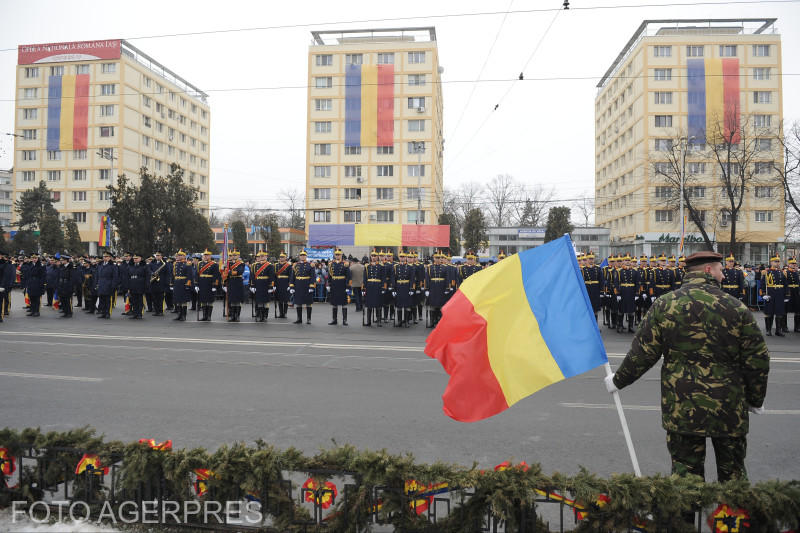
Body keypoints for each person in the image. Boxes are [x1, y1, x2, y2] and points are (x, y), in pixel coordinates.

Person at [605, 251, 769, 483]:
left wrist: (617, 380)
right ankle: (731, 519)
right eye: (721, 270)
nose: (724, 276)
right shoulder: (735, 308)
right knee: (733, 480)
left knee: (685, 483)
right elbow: (757, 359)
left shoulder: (665, 305)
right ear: (708, 270)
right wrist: (755, 399)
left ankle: (684, 519)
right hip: (729, 408)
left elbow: (642, 354)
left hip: (683, 409)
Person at [760, 254, 788, 336]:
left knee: (779, 313)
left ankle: (778, 330)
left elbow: (785, 284)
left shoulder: (782, 272)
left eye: (778, 261)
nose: (777, 263)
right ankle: (768, 330)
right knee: (769, 312)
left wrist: (786, 295)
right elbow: (762, 285)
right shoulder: (766, 272)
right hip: (770, 293)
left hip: (779, 294)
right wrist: (763, 294)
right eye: (775, 261)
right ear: (771, 262)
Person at [194, 249, 221, 322]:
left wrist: (214, 286)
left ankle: (209, 316)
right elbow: (197, 274)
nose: (205, 256)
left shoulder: (214, 264)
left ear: (210, 256)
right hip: (202, 283)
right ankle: (204, 316)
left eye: (207, 255)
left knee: (209, 300)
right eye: (204, 255)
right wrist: (196, 284)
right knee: (203, 300)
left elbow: (216, 276)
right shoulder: (199, 264)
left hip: (210, 284)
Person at [290, 250, 315, 324]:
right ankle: (299, 319)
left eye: (304, 255)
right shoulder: (295, 265)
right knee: (298, 302)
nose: (302, 256)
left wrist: (311, 286)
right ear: (299, 256)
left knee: (308, 302)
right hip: (298, 285)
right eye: (301, 255)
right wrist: (291, 286)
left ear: (306, 256)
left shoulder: (310, 265)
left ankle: (308, 319)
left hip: (306, 285)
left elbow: (313, 277)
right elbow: (292, 277)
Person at [326, 249, 351, 326]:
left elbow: (348, 276)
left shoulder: (345, 264)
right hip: (334, 284)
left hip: (342, 284)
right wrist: (329, 284)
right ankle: (334, 319)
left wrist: (347, 286)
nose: (337, 256)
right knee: (334, 302)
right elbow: (330, 275)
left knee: (344, 302)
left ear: (341, 255)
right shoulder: (331, 264)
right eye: (336, 254)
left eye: (339, 254)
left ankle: (345, 320)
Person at [250, 250, 276, 322]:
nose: (261, 257)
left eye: (263, 256)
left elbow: (271, 277)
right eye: (260, 256)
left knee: (265, 301)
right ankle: (260, 316)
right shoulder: (254, 265)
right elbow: (252, 276)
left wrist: (271, 286)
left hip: (266, 284)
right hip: (258, 284)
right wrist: (252, 286)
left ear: (266, 256)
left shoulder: (269, 265)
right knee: (259, 301)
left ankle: (265, 316)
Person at [363, 251, 385, 327]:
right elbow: (364, 278)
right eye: (372, 256)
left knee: (378, 304)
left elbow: (383, 278)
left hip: (377, 286)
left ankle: (378, 321)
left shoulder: (381, 266)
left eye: (375, 256)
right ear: (370, 257)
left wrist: (383, 287)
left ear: (377, 257)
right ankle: (368, 321)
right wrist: (363, 288)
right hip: (369, 287)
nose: (373, 257)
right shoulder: (367, 266)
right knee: (369, 304)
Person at [223, 250, 246, 322]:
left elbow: (240, 271)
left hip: (238, 282)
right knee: (232, 300)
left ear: (238, 256)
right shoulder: (228, 263)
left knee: (238, 300)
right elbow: (225, 274)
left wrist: (229, 272)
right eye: (233, 255)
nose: (234, 256)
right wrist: (224, 282)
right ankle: (232, 316)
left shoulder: (241, 264)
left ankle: (237, 316)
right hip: (231, 282)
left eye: (235, 255)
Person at [171, 250, 194, 321]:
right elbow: (173, 275)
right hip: (177, 283)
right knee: (178, 300)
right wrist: (172, 284)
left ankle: (184, 316)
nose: (178, 256)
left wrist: (188, 285)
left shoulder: (187, 264)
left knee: (183, 301)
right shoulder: (176, 264)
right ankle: (179, 315)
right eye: (178, 255)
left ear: (184, 256)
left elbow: (189, 276)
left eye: (180, 255)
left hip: (183, 283)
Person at [95, 251, 118, 319]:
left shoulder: (113, 266)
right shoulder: (100, 265)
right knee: (102, 300)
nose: (104, 258)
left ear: (110, 258)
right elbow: (97, 276)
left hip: (108, 284)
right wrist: (96, 284)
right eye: (104, 257)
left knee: (108, 300)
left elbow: (115, 277)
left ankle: (108, 313)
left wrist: (113, 286)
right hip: (101, 284)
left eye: (106, 257)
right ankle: (103, 313)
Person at [148, 251, 170, 316]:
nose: (157, 257)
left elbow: (167, 274)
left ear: (161, 256)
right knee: (154, 298)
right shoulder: (152, 263)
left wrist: (167, 283)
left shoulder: (165, 264)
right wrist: (152, 273)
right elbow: (148, 269)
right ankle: (156, 311)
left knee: (160, 298)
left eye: (159, 255)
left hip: (161, 283)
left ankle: (161, 311)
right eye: (156, 255)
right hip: (153, 283)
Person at [274, 252, 292, 318]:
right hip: (278, 283)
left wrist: (290, 285)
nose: (281, 258)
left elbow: (290, 276)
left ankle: (285, 313)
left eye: (283, 257)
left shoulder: (288, 266)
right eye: (280, 257)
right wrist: (274, 285)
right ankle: (281, 313)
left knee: (286, 299)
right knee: (280, 299)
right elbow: (274, 276)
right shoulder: (276, 265)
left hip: (285, 283)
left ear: (285, 258)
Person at [0, 250, 16, 322]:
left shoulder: (6, 264)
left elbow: (7, 276)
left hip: (2, 285)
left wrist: (5, 285)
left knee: (3, 300)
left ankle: (2, 313)